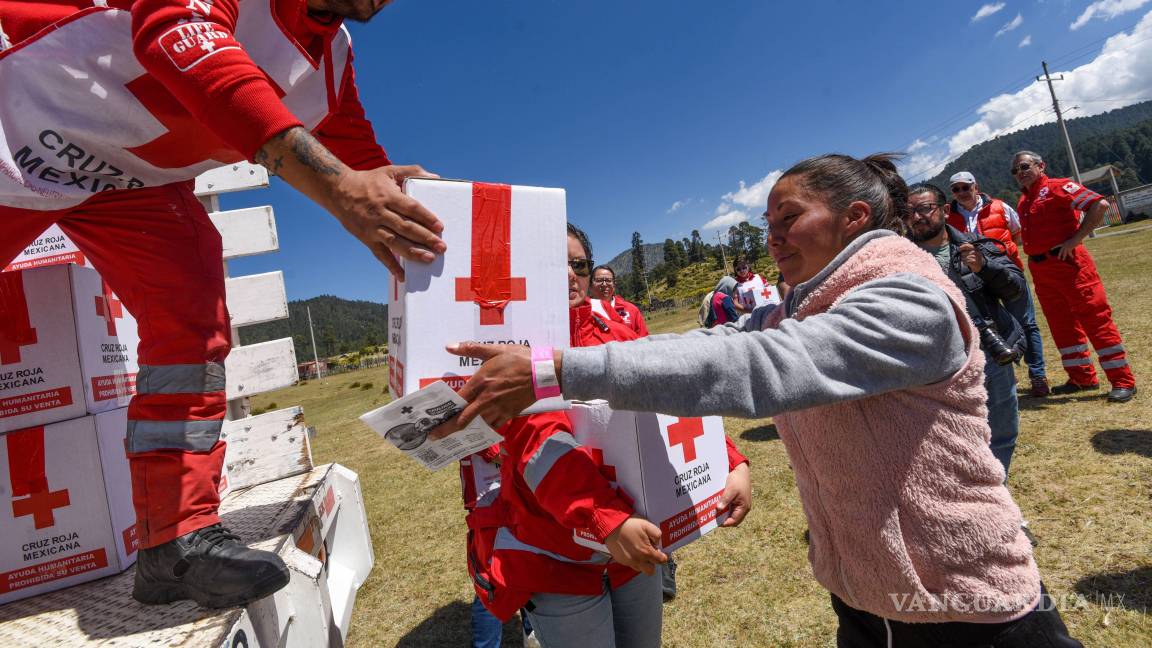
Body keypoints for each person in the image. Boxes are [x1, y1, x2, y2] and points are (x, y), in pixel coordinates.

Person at [440, 153, 1082, 647]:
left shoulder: (907, 299)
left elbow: (755, 366)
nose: (772, 237)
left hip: (962, 603)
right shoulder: (804, 305)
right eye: (766, 223)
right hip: (870, 592)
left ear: (854, 218)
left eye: (789, 219)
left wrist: (556, 372)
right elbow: (713, 350)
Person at [0, 0, 445, 608]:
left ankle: (173, 541)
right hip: (14, 104)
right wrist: (339, 187)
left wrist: (454, 237)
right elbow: (178, 34)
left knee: (191, 314)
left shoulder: (332, 63)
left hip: (117, 180)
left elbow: (361, 164)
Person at [468, 224, 750, 648]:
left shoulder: (618, 332)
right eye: (552, 264)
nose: (568, 276)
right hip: (557, 556)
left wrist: (730, 460)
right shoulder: (510, 354)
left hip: (632, 547)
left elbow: (668, 401)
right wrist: (606, 521)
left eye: (577, 264)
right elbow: (539, 441)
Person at [907, 183, 1026, 475]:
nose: (918, 217)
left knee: (1002, 431)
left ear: (945, 210)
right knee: (948, 440)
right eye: (909, 212)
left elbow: (1015, 289)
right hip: (938, 364)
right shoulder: (902, 259)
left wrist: (984, 267)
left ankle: (997, 497)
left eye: (925, 208)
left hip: (989, 354)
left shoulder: (976, 245)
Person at [1011, 151, 1136, 403]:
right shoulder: (1024, 201)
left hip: (1070, 266)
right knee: (1062, 326)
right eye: (1015, 171)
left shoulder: (1058, 187)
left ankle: (1123, 381)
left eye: (1024, 166)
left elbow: (1099, 204)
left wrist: (1076, 239)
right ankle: (1081, 378)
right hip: (1042, 271)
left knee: (1096, 322)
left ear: (1041, 165)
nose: (1020, 173)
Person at [947, 171, 1049, 397]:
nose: (962, 192)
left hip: (1006, 275)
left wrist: (1003, 259)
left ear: (976, 186)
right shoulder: (948, 217)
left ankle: (1038, 375)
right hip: (974, 280)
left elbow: (1017, 233)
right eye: (956, 189)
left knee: (1026, 323)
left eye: (966, 187)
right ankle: (1007, 375)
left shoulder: (1001, 207)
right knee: (990, 327)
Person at [590, 265, 649, 336]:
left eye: (609, 280)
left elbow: (643, 339)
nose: (604, 284)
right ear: (590, 285)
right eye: (599, 280)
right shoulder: (582, 312)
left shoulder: (632, 310)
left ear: (614, 285)